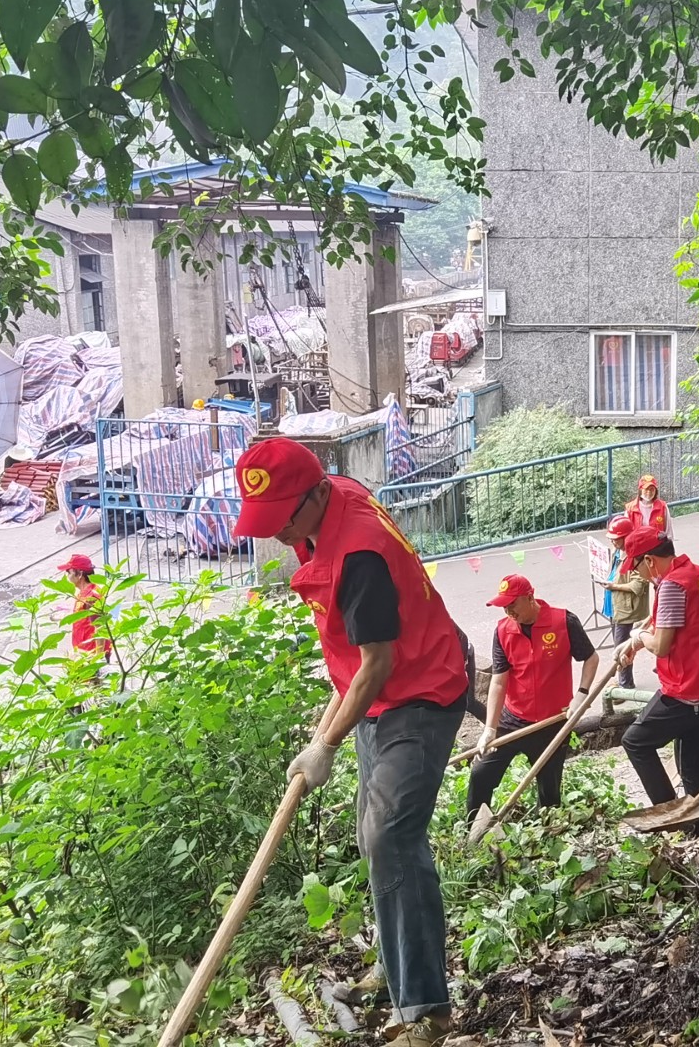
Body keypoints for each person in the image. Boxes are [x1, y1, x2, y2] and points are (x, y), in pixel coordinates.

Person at [231, 437, 467, 1047]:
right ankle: (395, 964)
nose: (277, 533)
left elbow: (378, 662)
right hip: (373, 696)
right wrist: (340, 718)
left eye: (283, 518)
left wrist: (325, 745)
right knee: (372, 834)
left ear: (316, 494)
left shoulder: (360, 553)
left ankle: (426, 1011)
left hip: (420, 691)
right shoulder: (331, 501)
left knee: (391, 837)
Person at [616, 525, 699, 836]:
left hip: (687, 692)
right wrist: (637, 639)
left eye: (637, 567)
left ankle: (670, 816)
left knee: (635, 742)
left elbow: (662, 645)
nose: (637, 574)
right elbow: (681, 622)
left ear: (649, 560)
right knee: (690, 763)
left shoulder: (671, 587)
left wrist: (638, 638)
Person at [466, 575, 600, 820]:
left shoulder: (563, 622)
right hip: (513, 720)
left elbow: (591, 658)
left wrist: (581, 694)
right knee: (481, 774)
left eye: (512, 604)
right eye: (504, 606)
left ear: (530, 598)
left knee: (549, 791)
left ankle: (546, 830)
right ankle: (473, 825)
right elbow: (499, 681)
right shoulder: (503, 631)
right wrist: (490, 729)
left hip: (552, 722)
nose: (508, 611)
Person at [597, 516, 650, 691]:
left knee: (622, 648)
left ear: (626, 537)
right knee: (619, 645)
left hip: (626, 608)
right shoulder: (617, 551)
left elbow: (638, 585)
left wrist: (614, 586)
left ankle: (625, 685)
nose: (612, 541)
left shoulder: (636, 556)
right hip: (614, 604)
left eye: (616, 538)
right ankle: (623, 681)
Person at [56, 554, 111, 658]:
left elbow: (100, 627)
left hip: (91, 653)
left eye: (69, 572)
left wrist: (98, 658)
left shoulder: (91, 597)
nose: (67, 576)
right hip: (83, 651)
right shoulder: (84, 592)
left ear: (80, 574)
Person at [624, 475, 673, 539]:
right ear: (640, 490)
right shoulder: (630, 508)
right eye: (646, 489)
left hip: (657, 544)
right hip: (637, 544)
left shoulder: (662, 506)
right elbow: (625, 533)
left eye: (652, 489)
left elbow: (668, 531)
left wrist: (669, 543)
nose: (649, 492)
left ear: (655, 491)